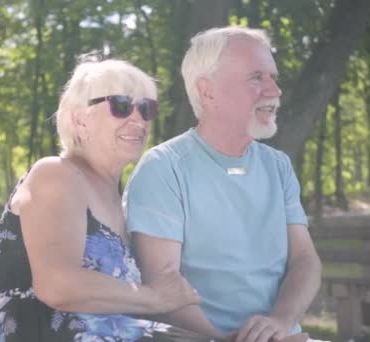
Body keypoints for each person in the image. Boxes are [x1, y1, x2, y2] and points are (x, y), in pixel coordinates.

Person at [0, 57, 202, 341]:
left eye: (147, 108)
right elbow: (56, 285)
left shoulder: (117, 199)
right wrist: (153, 297)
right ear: (79, 119)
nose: (138, 119)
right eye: (121, 105)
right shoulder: (56, 174)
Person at [124, 26, 322, 342]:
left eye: (274, 78)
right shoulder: (163, 169)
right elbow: (163, 285)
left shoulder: (278, 165)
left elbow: (305, 260)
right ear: (207, 91)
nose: (275, 90)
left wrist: (281, 322)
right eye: (257, 78)